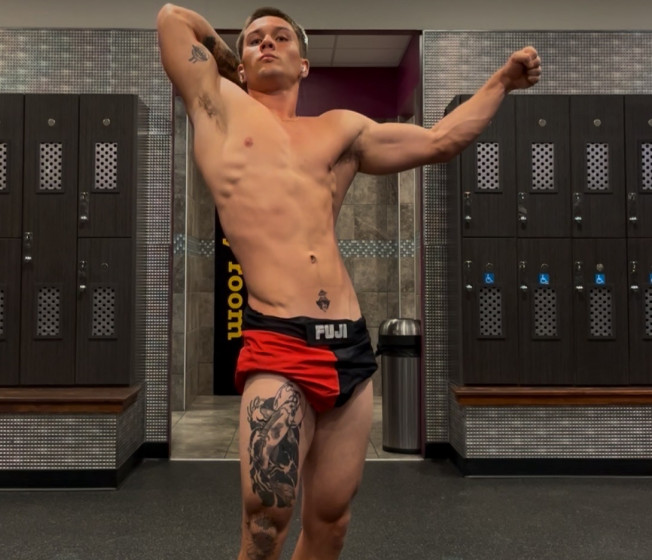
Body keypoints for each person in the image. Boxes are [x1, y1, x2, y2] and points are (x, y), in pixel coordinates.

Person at [157, 5, 541, 559]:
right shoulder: (219, 109)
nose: (266, 43)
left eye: (281, 37)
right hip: (279, 342)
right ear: (238, 61)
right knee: (265, 523)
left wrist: (501, 80)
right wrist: (229, 63)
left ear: (304, 64)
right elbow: (173, 19)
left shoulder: (339, 129)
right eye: (254, 39)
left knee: (331, 520)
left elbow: (440, 140)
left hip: (350, 348)